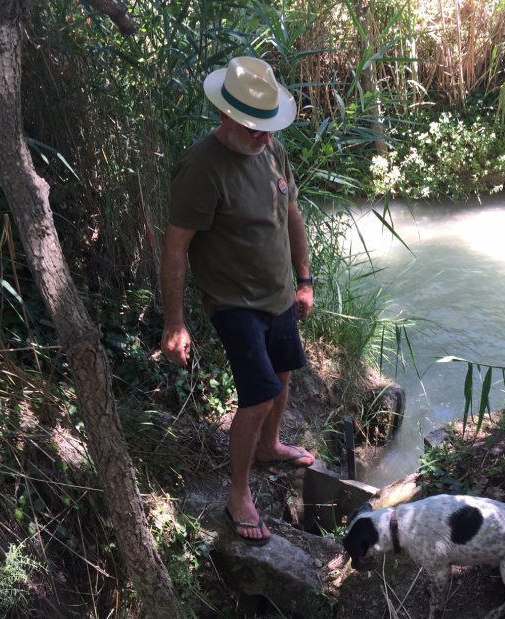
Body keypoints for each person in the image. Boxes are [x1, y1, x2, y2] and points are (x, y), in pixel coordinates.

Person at [161, 56, 315, 546]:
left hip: (278, 293)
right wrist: (174, 322)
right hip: (233, 301)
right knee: (259, 392)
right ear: (225, 115)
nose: (262, 137)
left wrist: (305, 280)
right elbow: (176, 247)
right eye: (253, 129)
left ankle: (269, 445)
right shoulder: (202, 167)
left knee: (285, 373)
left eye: (267, 127)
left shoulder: (274, 152)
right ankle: (238, 492)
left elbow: (291, 217)